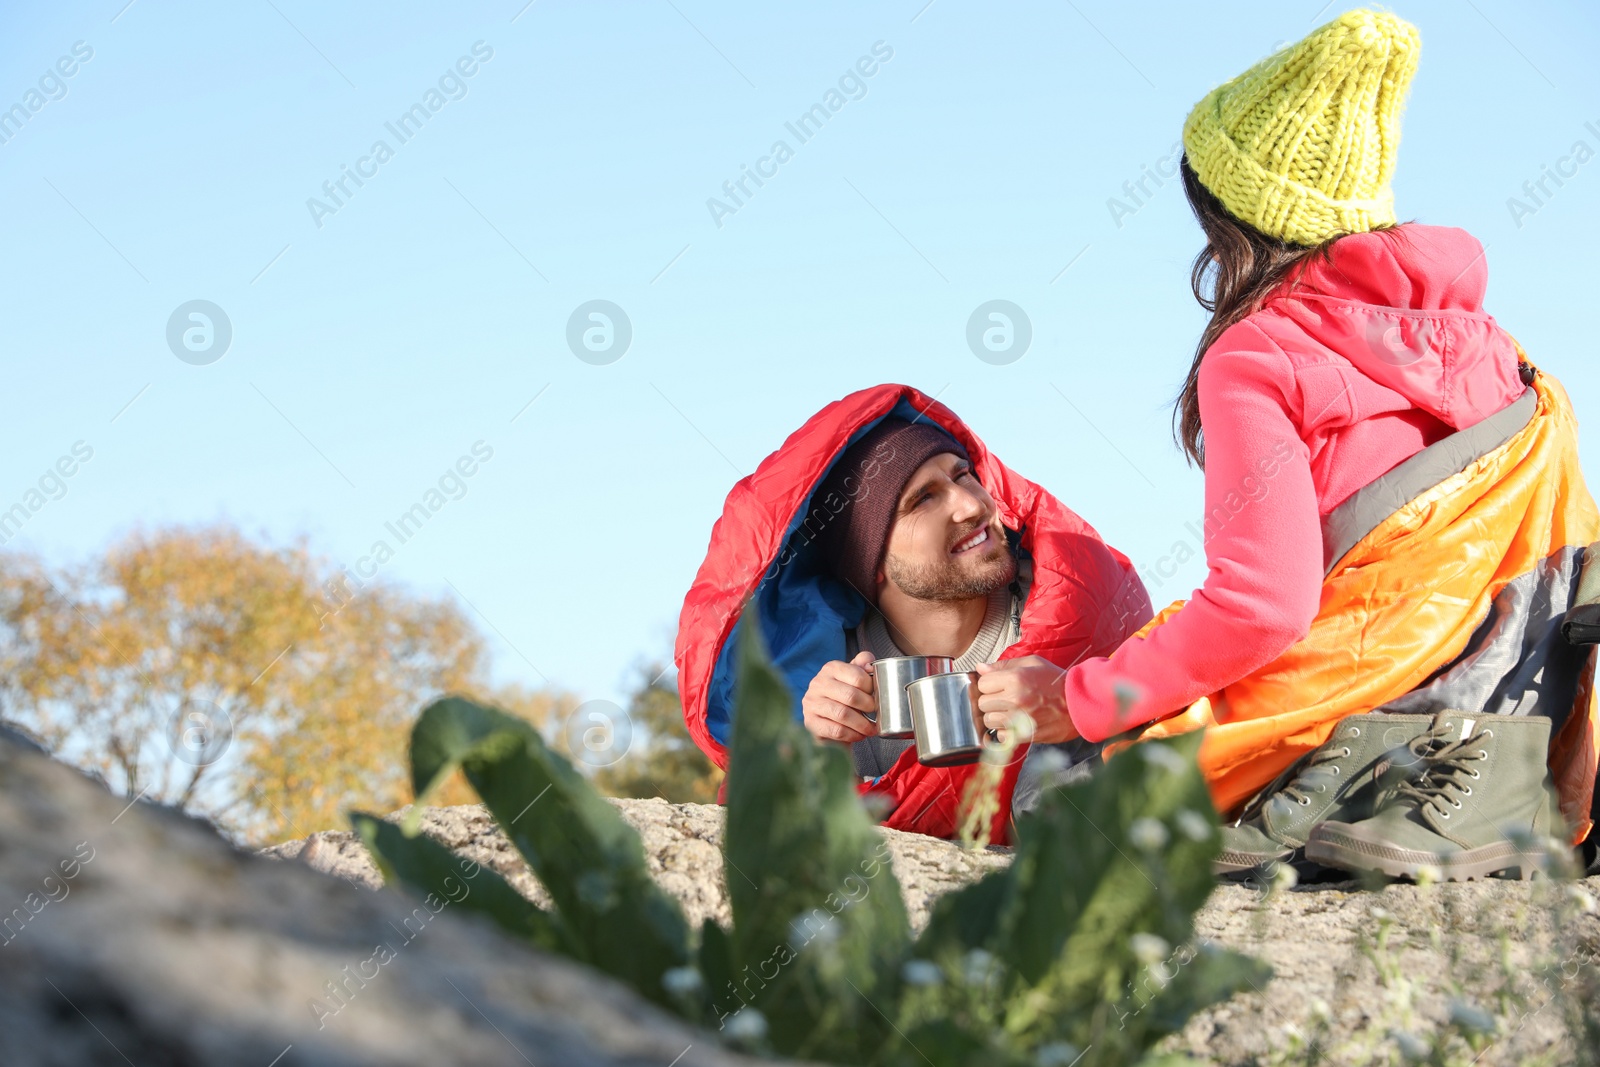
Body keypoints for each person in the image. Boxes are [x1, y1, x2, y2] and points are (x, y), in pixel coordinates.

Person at [1019, 9, 1600, 880]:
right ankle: (1481, 789)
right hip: (1499, 709)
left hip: (1345, 713)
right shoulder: (1492, 350)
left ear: (1229, 218)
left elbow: (1263, 607)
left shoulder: (1256, 355)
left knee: (1052, 785)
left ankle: (1354, 793)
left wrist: (1079, 698)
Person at [675, 384, 1152, 841]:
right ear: (873, 563)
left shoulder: (1069, 621)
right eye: (923, 499)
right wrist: (820, 753)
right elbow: (775, 844)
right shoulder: (828, 679)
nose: (971, 505)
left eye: (963, 474)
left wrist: (1078, 704)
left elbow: (1165, 724)